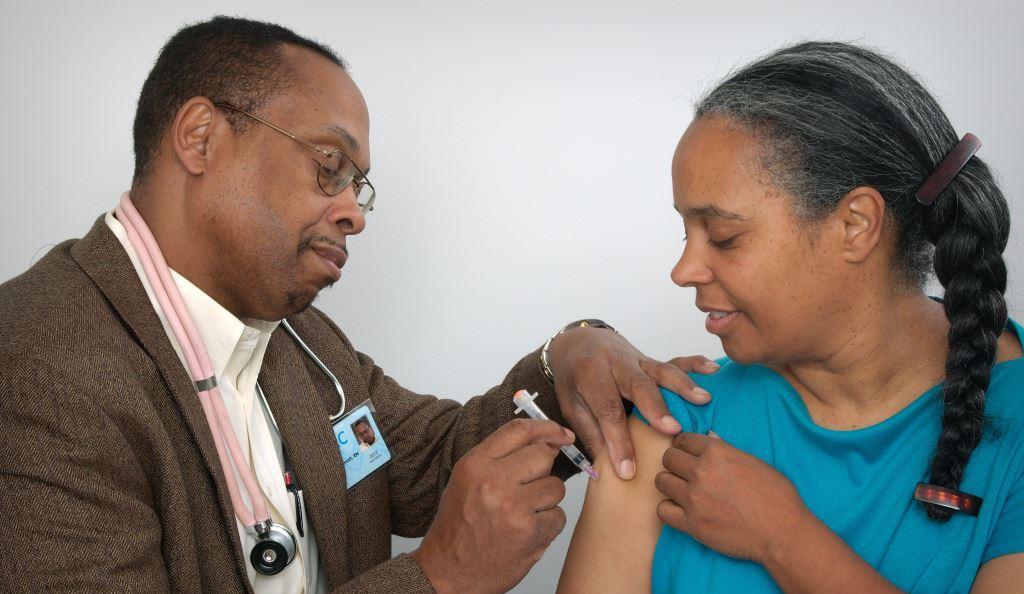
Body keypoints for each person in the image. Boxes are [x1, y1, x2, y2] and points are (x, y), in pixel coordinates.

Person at [0, 17, 716, 594]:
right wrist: (439, 579)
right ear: (200, 137)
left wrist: (568, 359)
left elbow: (434, 462)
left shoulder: (301, 340)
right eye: (328, 167)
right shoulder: (38, 366)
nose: (354, 214)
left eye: (357, 185)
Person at [558, 41, 1024, 593]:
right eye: (687, 231)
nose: (683, 270)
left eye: (724, 236)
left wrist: (783, 538)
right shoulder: (672, 424)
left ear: (855, 225)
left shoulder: (1011, 420)